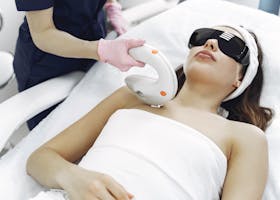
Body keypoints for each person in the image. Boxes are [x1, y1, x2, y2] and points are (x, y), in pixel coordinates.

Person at [26, 25, 273, 200]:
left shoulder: (245, 137)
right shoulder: (133, 97)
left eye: (231, 44)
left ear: (240, 79)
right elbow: (40, 159)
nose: (211, 43)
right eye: (203, 36)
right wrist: (75, 178)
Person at [13, 0, 145, 130]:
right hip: (49, 61)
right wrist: (101, 50)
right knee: (55, 130)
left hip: (93, 37)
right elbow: (43, 33)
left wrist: (112, 7)